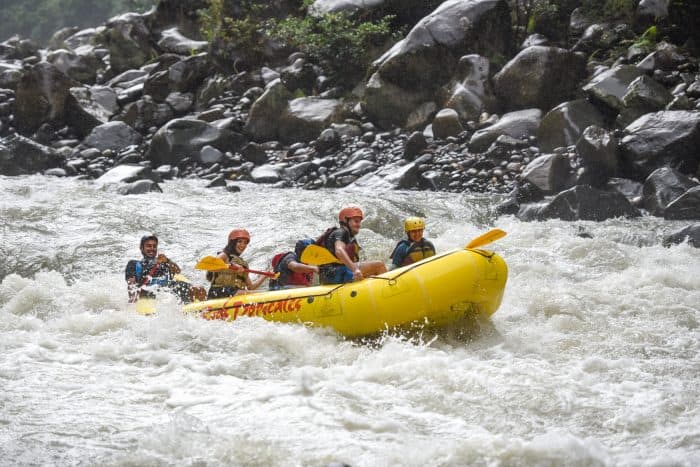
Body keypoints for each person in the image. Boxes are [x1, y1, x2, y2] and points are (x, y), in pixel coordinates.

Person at [316, 205, 387, 284]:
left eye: (360, 222)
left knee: (371, 273)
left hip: (328, 276)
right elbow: (339, 250)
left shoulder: (349, 238)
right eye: (356, 221)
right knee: (379, 265)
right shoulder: (341, 232)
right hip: (334, 273)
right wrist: (355, 270)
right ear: (346, 221)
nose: (359, 225)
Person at [125, 234, 205, 303]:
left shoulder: (164, 262)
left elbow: (177, 271)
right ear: (142, 248)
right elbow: (131, 284)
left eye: (154, 246)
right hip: (149, 291)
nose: (152, 248)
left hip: (168, 289)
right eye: (148, 246)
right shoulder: (134, 264)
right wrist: (133, 299)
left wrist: (167, 261)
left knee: (199, 290)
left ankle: (204, 311)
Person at [206, 228, 268, 299]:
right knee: (246, 293)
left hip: (234, 295)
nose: (243, 245)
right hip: (218, 292)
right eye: (239, 241)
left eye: (245, 242)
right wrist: (231, 266)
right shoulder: (225, 255)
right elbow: (210, 266)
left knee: (256, 293)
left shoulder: (243, 265)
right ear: (232, 242)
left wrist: (265, 275)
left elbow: (251, 287)